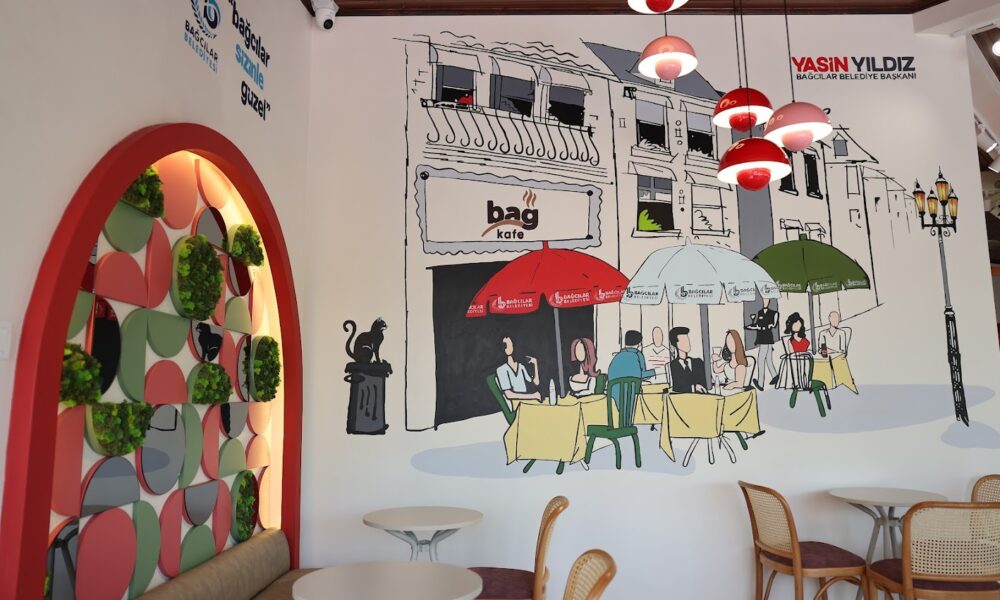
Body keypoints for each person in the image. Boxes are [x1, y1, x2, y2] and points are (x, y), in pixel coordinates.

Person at [607, 330, 658, 409]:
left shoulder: (617, 356)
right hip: (631, 396)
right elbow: (641, 375)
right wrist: (655, 372)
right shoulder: (637, 354)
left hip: (614, 396)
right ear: (639, 343)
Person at [495, 336, 541, 402]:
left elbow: (536, 383)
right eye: (504, 345)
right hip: (515, 404)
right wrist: (533, 396)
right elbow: (509, 395)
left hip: (526, 402)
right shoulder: (501, 370)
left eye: (509, 344)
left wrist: (535, 364)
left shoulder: (521, 366)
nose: (507, 347)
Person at [747, 298, 779, 389]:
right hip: (762, 337)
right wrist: (753, 327)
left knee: (761, 360)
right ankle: (775, 376)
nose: (765, 301)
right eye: (764, 300)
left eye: (767, 300)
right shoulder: (760, 312)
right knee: (768, 359)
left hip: (766, 338)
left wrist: (766, 326)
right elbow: (758, 324)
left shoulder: (773, 313)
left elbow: (773, 325)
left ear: (769, 301)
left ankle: (760, 384)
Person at [668, 326, 707, 394]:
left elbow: (705, 382)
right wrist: (694, 388)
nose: (687, 343)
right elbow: (677, 387)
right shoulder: (673, 365)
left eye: (687, 340)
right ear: (675, 344)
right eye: (683, 341)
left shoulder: (698, 362)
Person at [711, 330, 749, 395]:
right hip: (727, 391)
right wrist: (715, 361)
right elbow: (716, 370)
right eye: (728, 341)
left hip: (737, 392)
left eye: (732, 341)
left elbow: (739, 383)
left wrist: (729, 386)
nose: (730, 344)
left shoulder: (740, 366)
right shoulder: (727, 365)